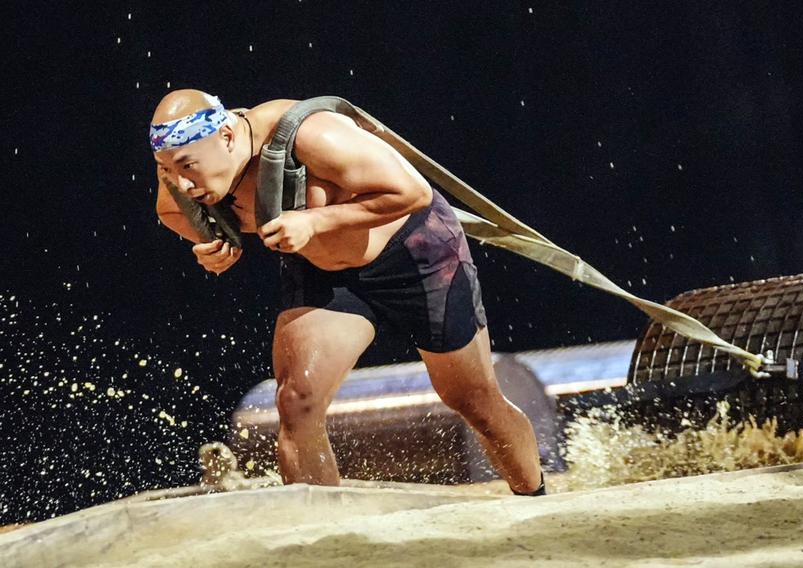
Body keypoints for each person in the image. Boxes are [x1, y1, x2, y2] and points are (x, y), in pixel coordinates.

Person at [150, 89, 546, 495]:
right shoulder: (186, 174)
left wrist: (317, 222)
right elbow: (169, 210)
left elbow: (413, 193)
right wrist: (218, 241)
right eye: (166, 168)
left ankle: (534, 498)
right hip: (325, 273)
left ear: (228, 138)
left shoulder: (311, 136)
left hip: (415, 257)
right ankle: (323, 539)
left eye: (187, 166)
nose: (180, 181)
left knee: (473, 401)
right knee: (297, 403)